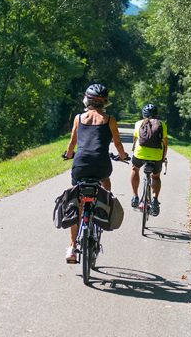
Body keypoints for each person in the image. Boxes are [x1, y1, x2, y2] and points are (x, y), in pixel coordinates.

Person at [63, 83, 128, 263]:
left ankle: (72, 247)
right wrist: (123, 157)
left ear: (86, 100)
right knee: (105, 184)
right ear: (105, 102)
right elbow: (118, 144)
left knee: (77, 202)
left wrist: (68, 155)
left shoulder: (78, 118)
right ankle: (102, 210)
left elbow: (72, 143)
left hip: (81, 165)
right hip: (101, 165)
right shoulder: (109, 120)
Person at [130, 103, 168, 216]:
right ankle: (155, 199)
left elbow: (135, 140)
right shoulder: (162, 124)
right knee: (156, 176)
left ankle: (135, 196)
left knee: (134, 169)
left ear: (143, 114)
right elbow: (165, 144)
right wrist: (163, 158)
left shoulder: (138, 124)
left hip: (139, 155)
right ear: (156, 114)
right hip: (156, 156)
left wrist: (134, 152)